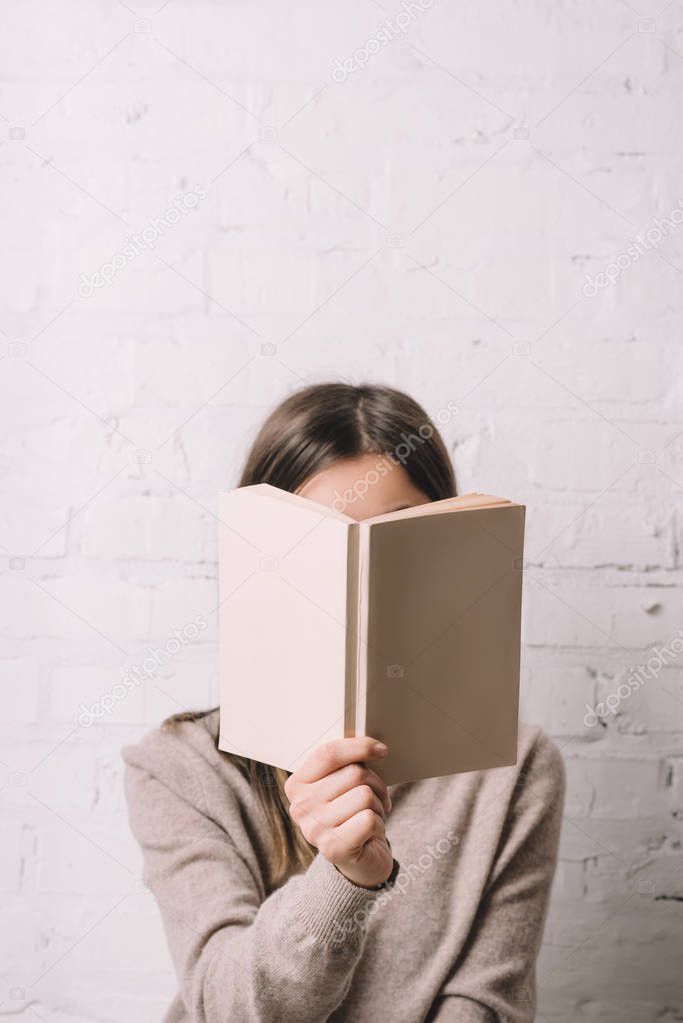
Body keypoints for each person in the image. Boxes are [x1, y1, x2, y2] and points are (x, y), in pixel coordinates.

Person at [123, 382, 564, 1022]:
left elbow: (486, 1006)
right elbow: (229, 1009)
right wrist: (345, 880)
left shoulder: (517, 768)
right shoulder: (180, 768)